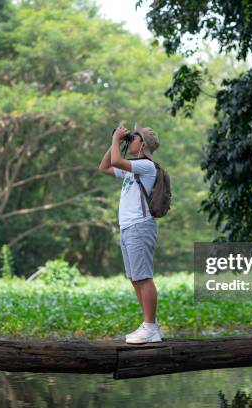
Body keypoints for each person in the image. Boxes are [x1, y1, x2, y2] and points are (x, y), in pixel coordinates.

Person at [97, 124, 163, 344]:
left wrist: (117, 139)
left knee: (144, 277)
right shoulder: (133, 167)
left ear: (142, 144)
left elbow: (116, 161)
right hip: (128, 227)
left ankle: (151, 327)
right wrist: (115, 141)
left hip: (140, 226)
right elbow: (105, 166)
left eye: (133, 138)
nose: (129, 139)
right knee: (136, 279)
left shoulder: (146, 166)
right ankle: (149, 325)